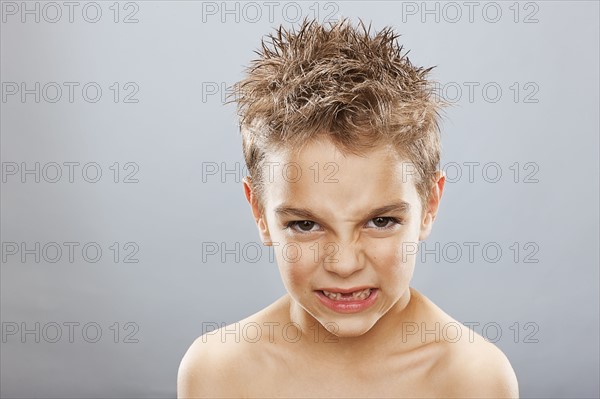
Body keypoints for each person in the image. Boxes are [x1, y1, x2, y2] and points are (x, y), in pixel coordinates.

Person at [178, 17, 519, 398]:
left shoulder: (473, 379)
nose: (344, 264)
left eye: (381, 220)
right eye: (306, 225)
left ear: (430, 205)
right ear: (259, 212)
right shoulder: (217, 373)